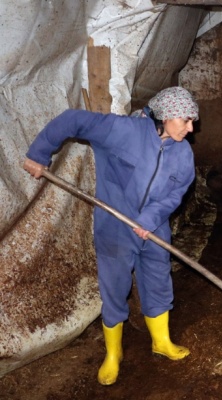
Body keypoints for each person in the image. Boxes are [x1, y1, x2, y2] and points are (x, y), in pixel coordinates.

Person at [23, 86, 199, 385]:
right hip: (115, 226)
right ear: (166, 117)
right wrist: (39, 153)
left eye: (192, 121)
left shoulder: (183, 152)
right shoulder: (122, 130)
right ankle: (113, 354)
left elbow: (176, 193)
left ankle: (161, 342)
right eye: (185, 120)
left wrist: (149, 219)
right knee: (114, 289)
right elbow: (72, 119)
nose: (191, 127)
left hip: (154, 228)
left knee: (158, 281)